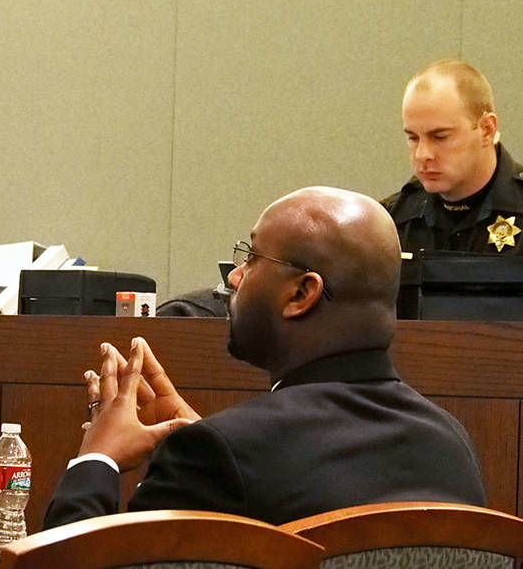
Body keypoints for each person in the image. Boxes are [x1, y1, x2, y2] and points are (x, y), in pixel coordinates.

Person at [44, 187, 485, 529]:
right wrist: (216, 445)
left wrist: (97, 460)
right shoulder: (451, 446)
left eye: (252, 257)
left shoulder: (221, 455)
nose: (234, 276)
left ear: (301, 293)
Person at [383, 59, 523, 254]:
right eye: (413, 138)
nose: (423, 154)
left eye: (440, 137)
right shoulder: (389, 224)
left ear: (486, 130)